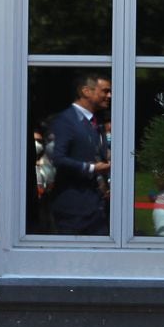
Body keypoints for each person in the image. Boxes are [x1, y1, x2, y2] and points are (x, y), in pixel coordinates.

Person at [49, 73, 112, 235]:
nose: (109, 96)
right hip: (74, 210)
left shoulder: (95, 122)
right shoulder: (66, 120)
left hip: (98, 209)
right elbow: (58, 158)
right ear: (86, 91)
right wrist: (92, 168)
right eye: (105, 91)